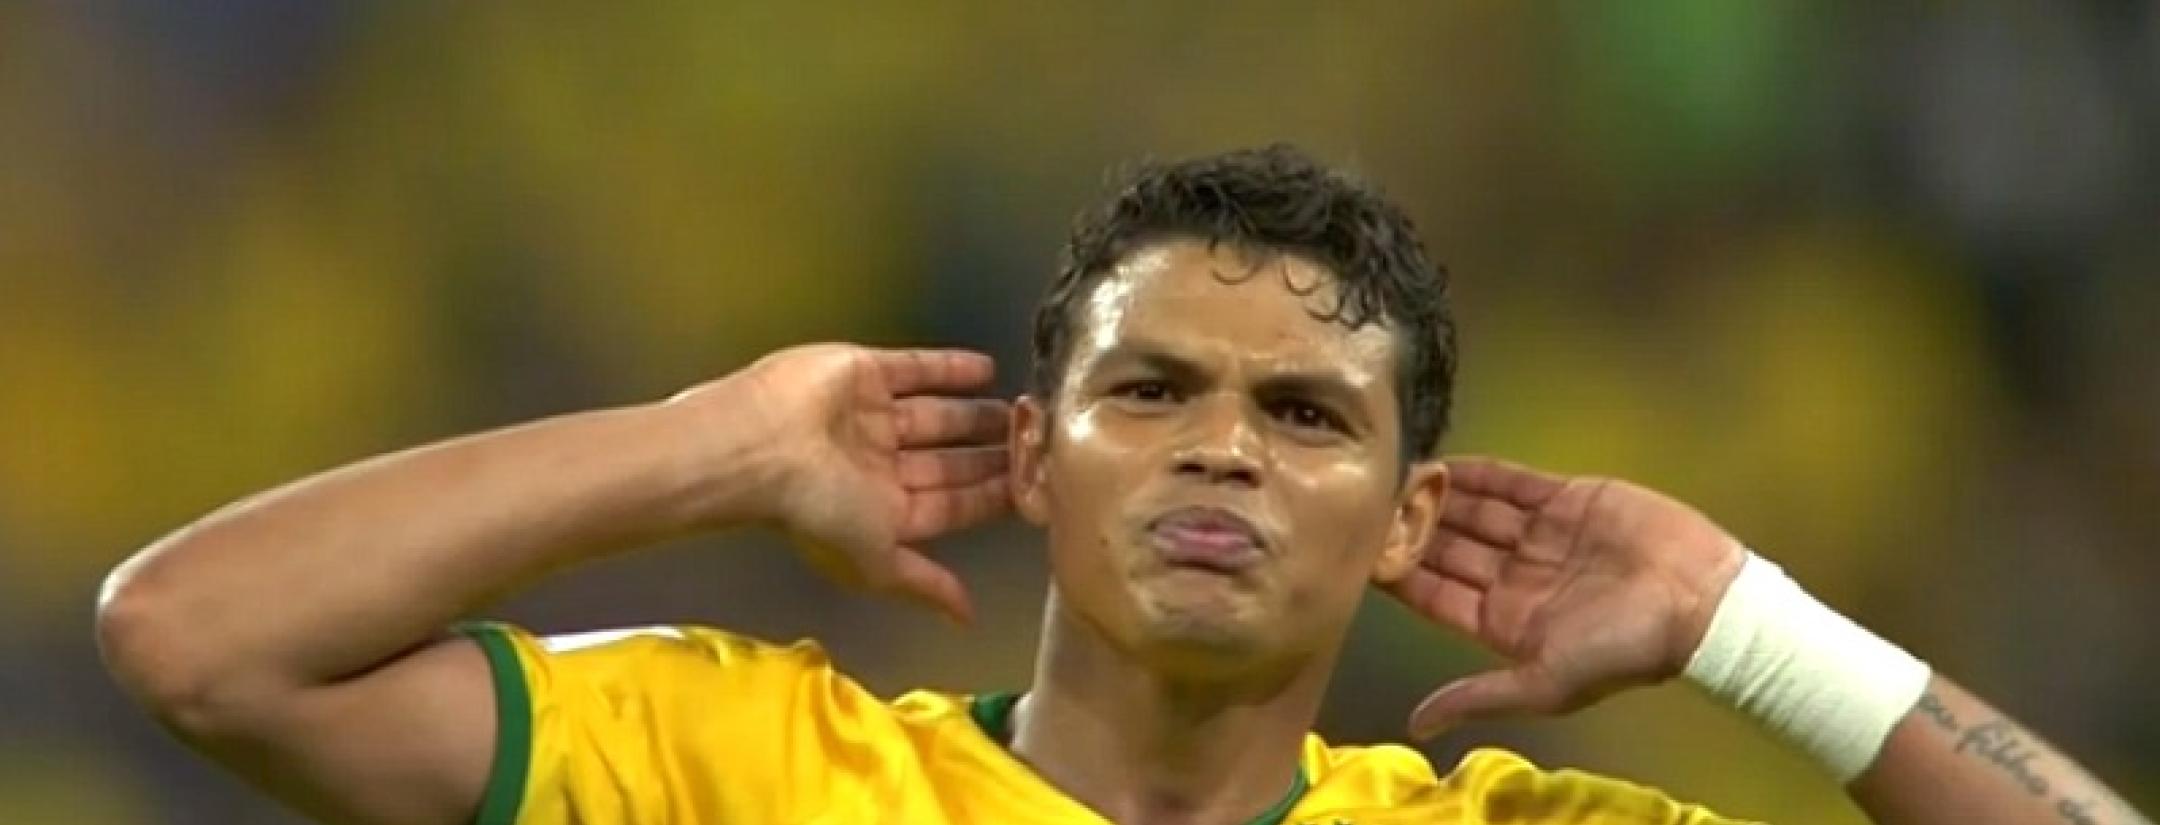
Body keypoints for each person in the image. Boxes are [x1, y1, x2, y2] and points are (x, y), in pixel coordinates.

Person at [96, 145, 2147, 825]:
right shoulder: (756, 767)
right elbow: (195, 635)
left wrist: (1747, 627)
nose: (1226, 446)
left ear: (1414, 520)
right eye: (1153, 386)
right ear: (1028, 457)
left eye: (1311, 415)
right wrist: (701, 445)